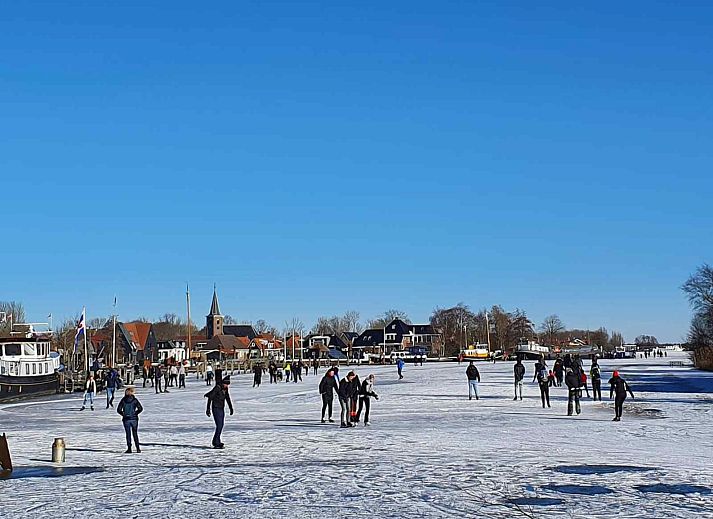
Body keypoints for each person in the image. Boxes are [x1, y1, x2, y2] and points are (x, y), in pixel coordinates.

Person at [205, 375, 234, 448]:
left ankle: (216, 441)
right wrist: (208, 409)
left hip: (221, 408)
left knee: (221, 425)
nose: (227, 386)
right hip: (216, 408)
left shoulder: (225, 389)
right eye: (226, 384)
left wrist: (231, 408)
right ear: (223, 383)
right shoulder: (217, 388)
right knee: (219, 425)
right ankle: (216, 442)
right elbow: (210, 397)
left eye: (228, 385)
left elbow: (227, 398)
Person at [117, 387, 143, 453]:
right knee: (135, 433)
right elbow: (140, 408)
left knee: (128, 434)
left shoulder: (123, 400)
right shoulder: (135, 400)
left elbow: (119, 410)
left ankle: (129, 448)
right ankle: (138, 448)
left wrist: (124, 414)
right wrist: (135, 413)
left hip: (126, 419)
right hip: (134, 419)